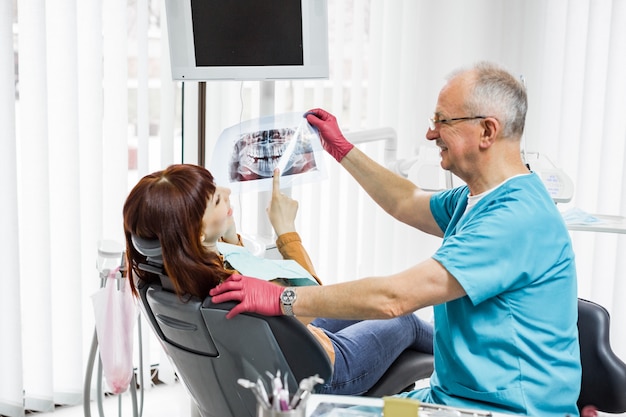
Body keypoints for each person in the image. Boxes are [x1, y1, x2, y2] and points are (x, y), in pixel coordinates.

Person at [210, 61, 582, 416]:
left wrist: (283, 297)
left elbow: (394, 298)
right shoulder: (478, 198)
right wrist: (342, 149)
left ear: (487, 130)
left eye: (443, 121)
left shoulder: (515, 220)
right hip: (444, 399)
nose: (431, 133)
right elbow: (406, 201)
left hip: (505, 411)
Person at [122, 163, 434, 396]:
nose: (228, 192)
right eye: (217, 200)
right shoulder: (237, 287)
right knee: (404, 321)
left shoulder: (176, 278)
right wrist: (286, 230)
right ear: (198, 233)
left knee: (360, 309)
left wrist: (229, 235)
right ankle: (473, 355)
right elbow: (311, 296)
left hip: (285, 355)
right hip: (319, 373)